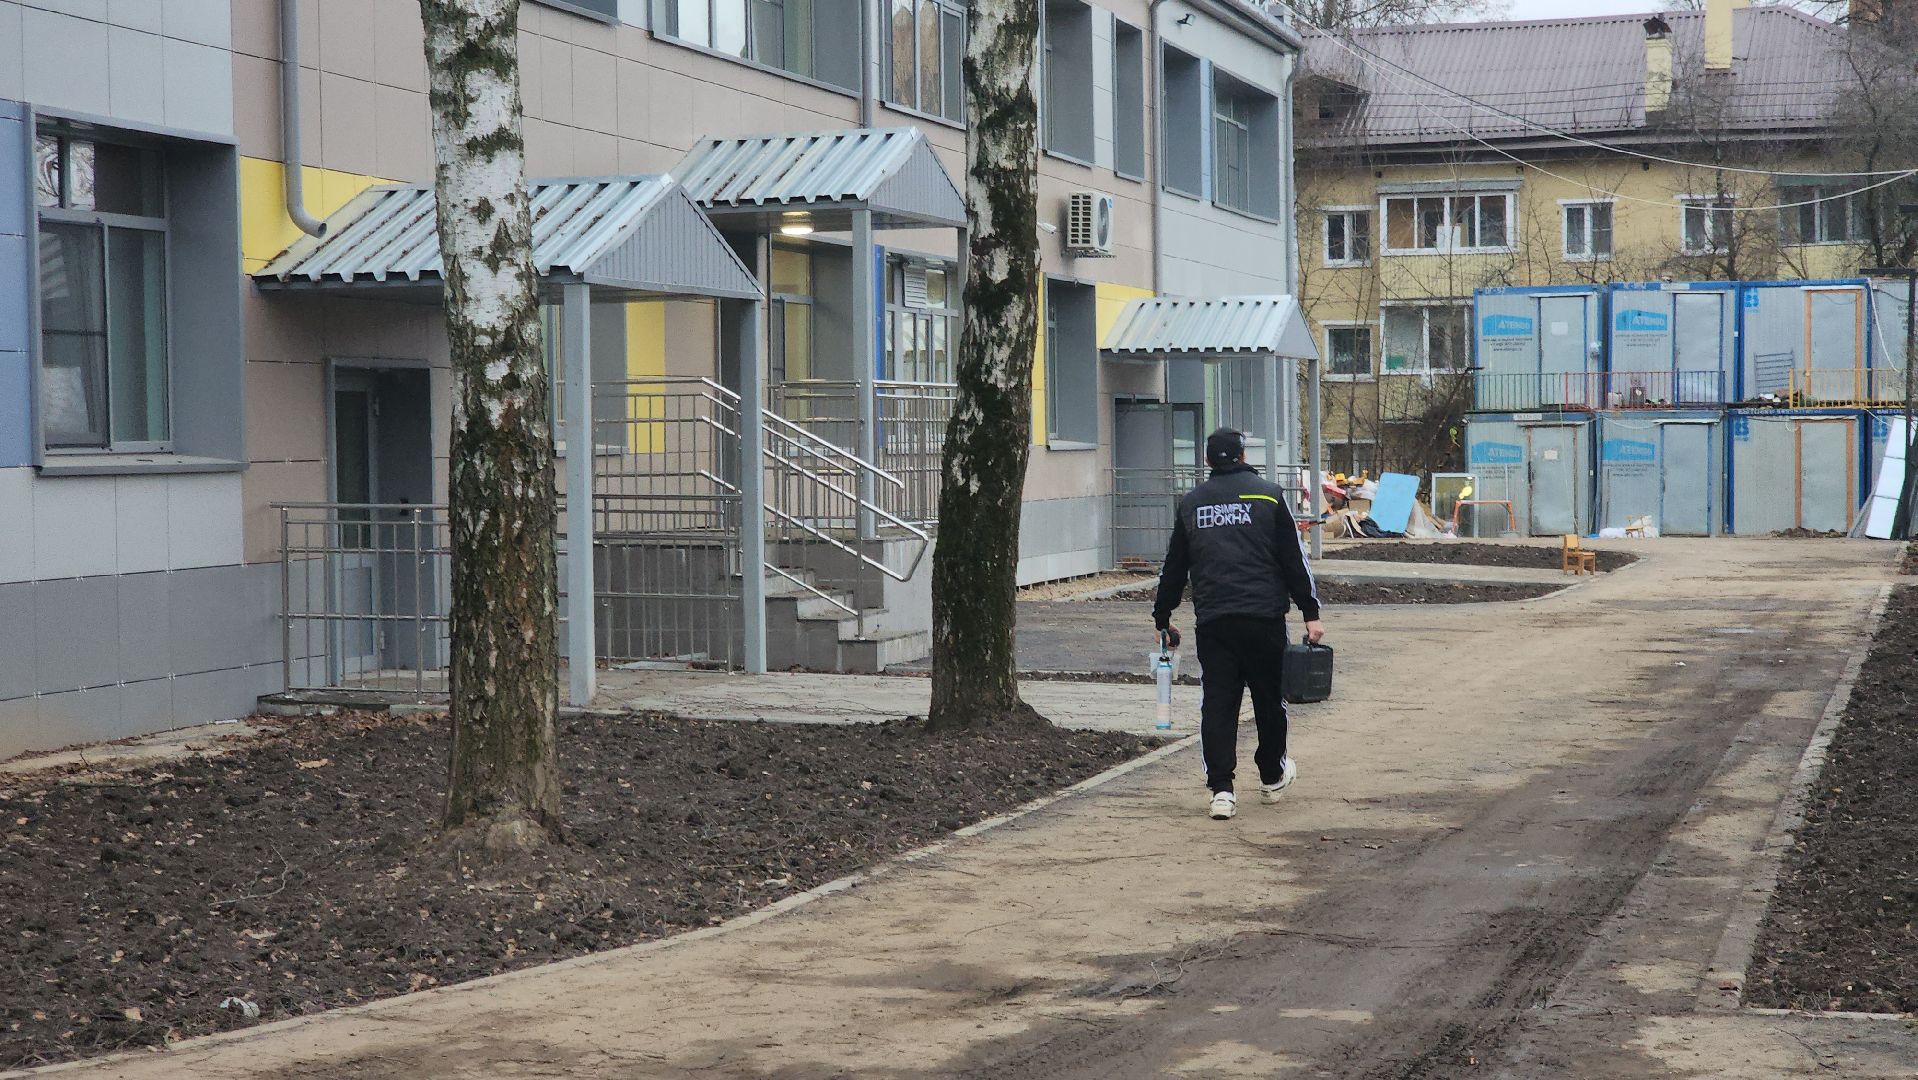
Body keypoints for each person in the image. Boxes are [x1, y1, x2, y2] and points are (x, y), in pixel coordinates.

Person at [1153, 429, 1325, 821]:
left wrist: (1163, 617)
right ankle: (1271, 775)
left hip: (1214, 621)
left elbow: (1174, 567)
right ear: (1244, 455)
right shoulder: (1268, 496)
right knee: (1269, 700)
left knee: (1218, 703)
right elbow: (1293, 560)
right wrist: (1310, 613)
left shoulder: (1192, 503)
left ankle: (1222, 791)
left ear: (1209, 460)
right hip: (1263, 618)